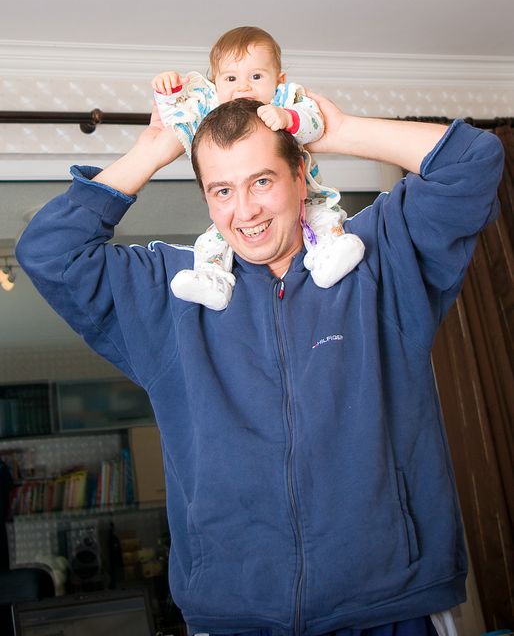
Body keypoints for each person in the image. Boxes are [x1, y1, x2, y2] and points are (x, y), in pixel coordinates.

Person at [16, 92, 504, 636]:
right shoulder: (173, 294)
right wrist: (154, 149)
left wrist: (336, 129)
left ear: (300, 174)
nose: (244, 211)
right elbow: (50, 251)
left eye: (262, 181)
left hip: (391, 605)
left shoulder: (375, 260)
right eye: (222, 190)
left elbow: (472, 161)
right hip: (235, 615)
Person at [152, 26, 364, 310]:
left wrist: (287, 118)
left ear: (279, 80)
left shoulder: (285, 101)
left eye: (256, 76)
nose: (243, 87)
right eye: (231, 78)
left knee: (324, 219)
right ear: (215, 85)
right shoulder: (211, 114)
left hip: (308, 200)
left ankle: (327, 256)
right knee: (209, 242)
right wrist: (170, 91)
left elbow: (316, 124)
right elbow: (177, 117)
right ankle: (213, 279)